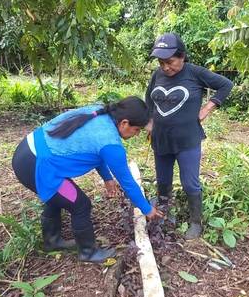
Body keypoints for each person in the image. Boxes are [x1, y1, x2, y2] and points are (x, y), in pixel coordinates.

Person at [12, 96, 163, 263]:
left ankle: (52, 242)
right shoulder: (111, 144)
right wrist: (147, 209)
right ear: (124, 123)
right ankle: (88, 252)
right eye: (137, 129)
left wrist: (107, 177)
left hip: (27, 151)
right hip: (38, 165)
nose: (137, 134)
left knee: (57, 198)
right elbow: (128, 183)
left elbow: (95, 151)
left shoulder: (99, 113)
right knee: (80, 205)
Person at [146, 33, 234, 240]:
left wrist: (208, 108)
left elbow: (226, 85)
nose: (166, 67)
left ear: (182, 56)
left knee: (189, 183)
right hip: (161, 138)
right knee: (163, 180)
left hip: (187, 140)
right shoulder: (157, 75)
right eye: (161, 63)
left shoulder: (194, 73)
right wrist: (150, 121)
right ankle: (164, 212)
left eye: (170, 62)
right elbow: (149, 99)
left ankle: (196, 222)